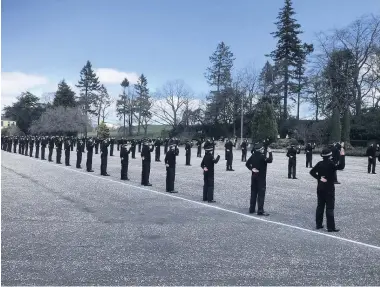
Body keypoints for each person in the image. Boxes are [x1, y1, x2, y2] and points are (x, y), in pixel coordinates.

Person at [309, 148, 343, 232]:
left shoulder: (319, 163)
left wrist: (319, 178)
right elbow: (341, 166)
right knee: (329, 207)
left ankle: (318, 224)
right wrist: (342, 155)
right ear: (330, 155)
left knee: (320, 206)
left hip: (320, 187)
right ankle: (330, 227)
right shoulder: (331, 164)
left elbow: (312, 172)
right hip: (329, 188)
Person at [246, 142, 272, 215]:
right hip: (261, 177)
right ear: (260, 149)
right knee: (261, 194)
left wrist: (252, 169)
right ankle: (260, 210)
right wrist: (270, 152)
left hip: (254, 176)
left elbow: (247, 164)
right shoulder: (262, 156)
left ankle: (251, 208)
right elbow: (270, 160)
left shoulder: (253, 155)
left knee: (253, 193)